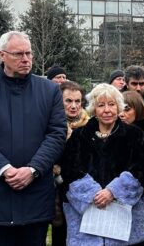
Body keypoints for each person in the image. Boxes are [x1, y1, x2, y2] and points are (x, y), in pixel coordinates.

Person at [0, 31, 66, 246]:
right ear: (2, 55)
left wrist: (33, 169)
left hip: (35, 194)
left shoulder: (49, 90)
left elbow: (56, 134)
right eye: (18, 54)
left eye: (29, 53)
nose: (26, 59)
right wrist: (4, 169)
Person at [61, 84, 144, 246]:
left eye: (111, 104)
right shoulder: (79, 136)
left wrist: (113, 191)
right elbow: (70, 170)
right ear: (94, 109)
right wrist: (94, 194)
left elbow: (142, 168)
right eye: (101, 105)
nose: (107, 110)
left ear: (119, 107)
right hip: (87, 216)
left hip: (123, 217)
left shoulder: (134, 135)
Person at [51, 80, 90, 246]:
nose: (74, 106)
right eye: (68, 101)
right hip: (57, 192)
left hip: (83, 191)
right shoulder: (50, 124)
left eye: (77, 101)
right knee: (60, 235)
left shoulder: (90, 126)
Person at [120, 90, 144, 246]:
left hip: (142, 196)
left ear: (138, 109)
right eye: (119, 108)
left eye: (127, 109)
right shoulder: (116, 131)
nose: (122, 114)